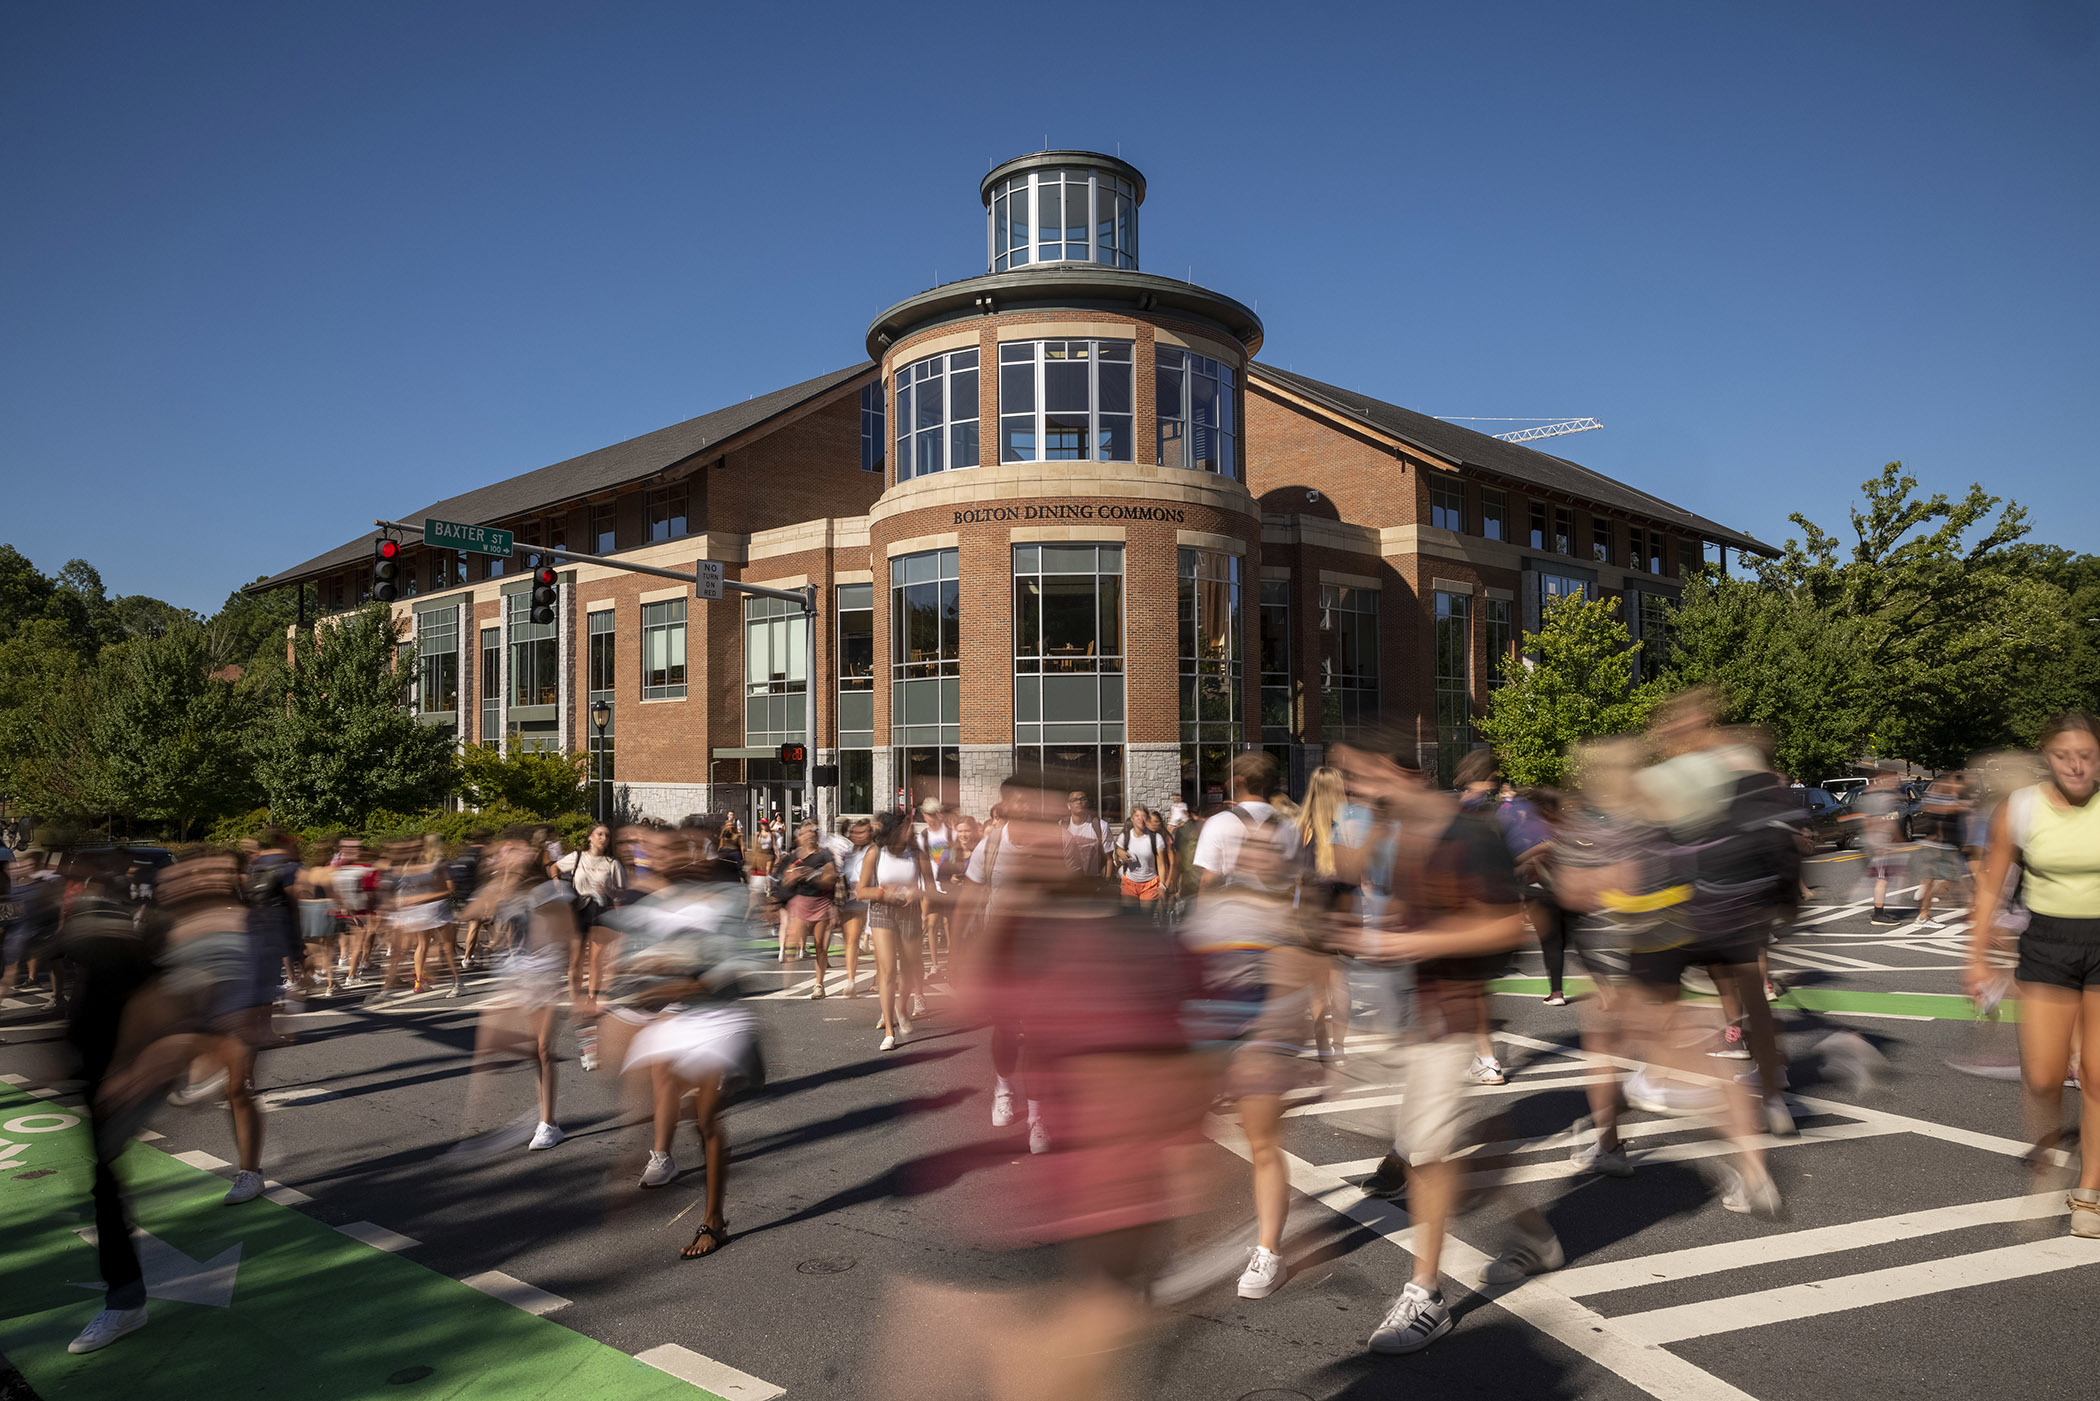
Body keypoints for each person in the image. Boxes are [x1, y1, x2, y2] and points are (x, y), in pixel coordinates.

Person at [1327, 732, 1561, 1355]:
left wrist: (1414, 944)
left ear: (1396, 768)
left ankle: (1426, 1295)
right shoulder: (1392, 832)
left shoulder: (1467, 832)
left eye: (1357, 774)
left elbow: (1510, 923)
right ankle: (1534, 1232)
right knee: (1430, 1146)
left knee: (1427, 1154)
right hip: (1399, 1012)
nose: (1350, 789)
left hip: (1446, 1012)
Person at [594, 819, 763, 1258]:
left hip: (720, 1017)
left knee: (708, 1119)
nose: (660, 857)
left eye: (671, 850)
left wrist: (663, 981)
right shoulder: (656, 902)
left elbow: (724, 971)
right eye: (654, 851)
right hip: (681, 1016)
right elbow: (616, 934)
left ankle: (714, 1221)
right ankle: (650, 1158)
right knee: (641, 1089)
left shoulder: (727, 895)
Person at [1967, 712, 2100, 1235]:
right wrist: (1974, 958)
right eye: (2064, 754)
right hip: (2047, 944)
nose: (2076, 765)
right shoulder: (2018, 810)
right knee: (2044, 1077)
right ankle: (2047, 1157)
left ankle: (2089, 1189)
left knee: (2096, 1073)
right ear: (2047, 755)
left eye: (2087, 755)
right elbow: (1989, 887)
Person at [456, 826, 579, 1152]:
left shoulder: (548, 891)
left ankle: (548, 1123)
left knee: (541, 1051)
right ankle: (480, 1127)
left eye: (514, 851)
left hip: (544, 978)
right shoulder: (504, 889)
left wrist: (576, 987)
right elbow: (469, 913)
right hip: (515, 977)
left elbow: (570, 939)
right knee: (496, 1048)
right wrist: (498, 878)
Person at [866, 811, 932, 1048]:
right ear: (894, 831)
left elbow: (932, 888)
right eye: (906, 827)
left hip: (910, 912)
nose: (911, 831)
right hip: (881, 911)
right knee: (887, 970)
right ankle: (889, 1031)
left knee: (910, 967)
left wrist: (918, 892)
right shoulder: (875, 853)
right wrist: (884, 893)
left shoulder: (916, 854)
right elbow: (862, 890)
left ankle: (901, 1007)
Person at [377, 834, 463, 1001]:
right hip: (438, 907)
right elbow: (450, 888)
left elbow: (403, 887)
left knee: (422, 945)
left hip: (419, 910)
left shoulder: (411, 864)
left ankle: (418, 982)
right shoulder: (440, 863)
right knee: (447, 946)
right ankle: (457, 982)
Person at [775, 821, 838, 997]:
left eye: (813, 834)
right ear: (799, 837)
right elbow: (783, 882)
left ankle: (819, 985)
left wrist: (811, 875)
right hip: (800, 903)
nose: (810, 837)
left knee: (820, 945)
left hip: (821, 901)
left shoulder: (825, 855)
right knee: (793, 941)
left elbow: (831, 878)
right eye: (806, 834)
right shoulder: (793, 856)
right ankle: (786, 983)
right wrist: (792, 876)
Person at [1842, 772, 1908, 924]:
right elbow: (1872, 821)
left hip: (1876, 842)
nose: (1896, 784)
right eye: (1893, 780)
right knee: (1882, 878)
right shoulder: (1878, 798)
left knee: (1880, 876)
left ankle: (1859, 892)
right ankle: (1878, 915)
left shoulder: (1872, 796)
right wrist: (1889, 842)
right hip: (1878, 842)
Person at [1913, 772, 1970, 929]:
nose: (1960, 786)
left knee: (1938, 880)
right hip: (1941, 847)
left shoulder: (1945, 797)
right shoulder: (1943, 798)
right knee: (1944, 881)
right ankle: (1924, 912)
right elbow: (1936, 815)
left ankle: (1924, 910)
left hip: (1945, 846)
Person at [1112, 806, 1173, 920]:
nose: (1140, 819)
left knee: (1146, 919)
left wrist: (1163, 886)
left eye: (1143, 816)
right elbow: (1116, 858)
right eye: (1137, 816)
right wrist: (1119, 852)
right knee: (1130, 918)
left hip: (1150, 884)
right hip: (1129, 882)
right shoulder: (1124, 837)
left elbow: (1161, 864)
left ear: (1147, 819)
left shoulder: (1156, 838)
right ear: (1132, 819)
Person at [1061, 790, 1115, 891]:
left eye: (1082, 799)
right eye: (1074, 800)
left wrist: (1106, 882)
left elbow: (1109, 858)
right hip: (1069, 882)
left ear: (1087, 802)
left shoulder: (1100, 826)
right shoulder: (1062, 826)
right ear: (1069, 805)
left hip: (1093, 882)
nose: (1079, 802)